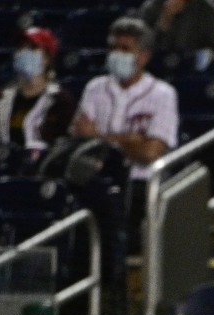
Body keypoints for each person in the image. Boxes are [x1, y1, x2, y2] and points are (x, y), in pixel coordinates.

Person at [70, 16, 179, 252]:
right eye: (113, 48)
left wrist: (100, 137)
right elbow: (79, 139)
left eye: (125, 49)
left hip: (141, 183)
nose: (117, 54)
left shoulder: (163, 94)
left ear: (144, 56)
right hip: (96, 179)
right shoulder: (95, 87)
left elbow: (151, 152)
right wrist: (129, 140)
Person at [0, 28, 76, 161]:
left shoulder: (61, 101)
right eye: (21, 48)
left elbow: (64, 144)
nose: (24, 53)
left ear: (47, 58)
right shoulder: (0, 98)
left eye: (32, 48)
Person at [137, 0, 214, 54]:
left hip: (193, 71)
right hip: (157, 69)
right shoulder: (151, 7)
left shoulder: (210, 10)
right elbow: (143, 47)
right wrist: (165, 19)